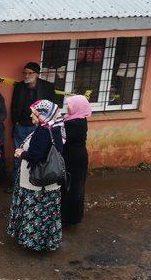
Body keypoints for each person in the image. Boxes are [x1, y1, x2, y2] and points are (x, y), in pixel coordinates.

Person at [8, 99, 64, 251]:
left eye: (34, 114)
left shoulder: (43, 131)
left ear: (42, 115)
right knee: (47, 213)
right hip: (50, 181)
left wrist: (21, 153)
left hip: (38, 181)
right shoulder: (56, 128)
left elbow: (36, 155)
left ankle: (33, 242)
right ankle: (47, 241)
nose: (31, 117)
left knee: (36, 212)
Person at [7, 62, 58, 194]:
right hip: (21, 126)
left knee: (35, 156)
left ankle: (34, 181)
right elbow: (13, 106)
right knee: (18, 155)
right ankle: (16, 183)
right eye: (25, 73)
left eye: (30, 73)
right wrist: (16, 122)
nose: (27, 75)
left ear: (37, 74)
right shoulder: (19, 86)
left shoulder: (47, 87)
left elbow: (52, 107)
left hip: (38, 128)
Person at [61, 95, 91, 226]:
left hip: (74, 159)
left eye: (70, 105)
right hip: (76, 156)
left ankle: (69, 217)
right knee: (74, 186)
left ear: (77, 107)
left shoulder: (74, 123)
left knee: (72, 187)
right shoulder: (78, 118)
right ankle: (72, 215)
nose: (67, 107)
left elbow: (63, 139)